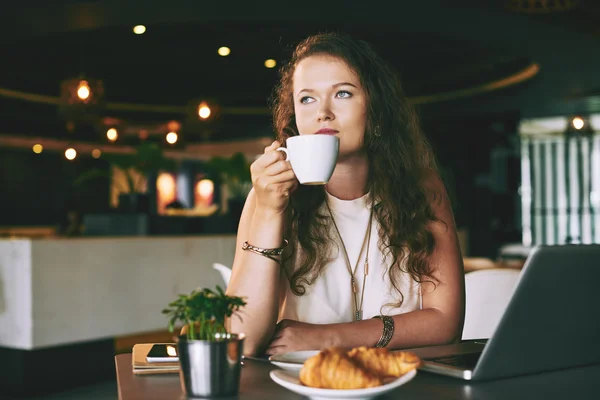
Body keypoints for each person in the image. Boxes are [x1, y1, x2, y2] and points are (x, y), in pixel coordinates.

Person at [226, 32, 465, 357]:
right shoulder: (269, 196)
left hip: (398, 383)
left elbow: (445, 322)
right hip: (301, 385)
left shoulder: (420, 187)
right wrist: (269, 211)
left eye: (342, 93)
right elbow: (243, 341)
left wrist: (329, 337)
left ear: (375, 108)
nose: (322, 112)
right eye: (307, 98)